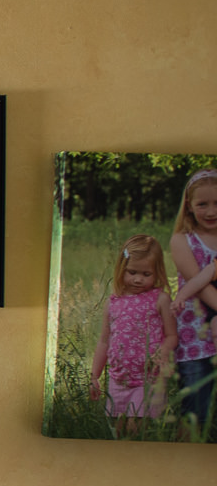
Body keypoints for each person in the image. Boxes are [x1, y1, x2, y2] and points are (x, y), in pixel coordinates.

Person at [89, 234, 176, 434]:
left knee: (137, 427)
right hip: (119, 379)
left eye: (146, 274)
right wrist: (95, 376)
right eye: (132, 272)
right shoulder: (113, 302)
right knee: (119, 430)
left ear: (157, 272)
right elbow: (104, 341)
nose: (138, 279)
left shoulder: (160, 299)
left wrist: (162, 352)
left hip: (149, 378)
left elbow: (172, 336)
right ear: (122, 269)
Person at [170, 168, 217, 431]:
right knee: (194, 414)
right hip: (195, 338)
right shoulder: (182, 240)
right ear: (189, 206)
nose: (211, 211)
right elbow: (198, 285)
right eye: (203, 204)